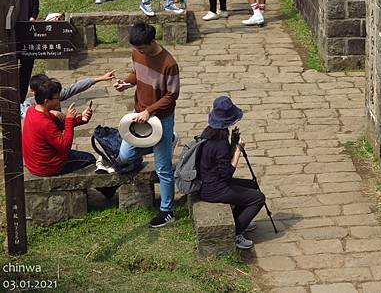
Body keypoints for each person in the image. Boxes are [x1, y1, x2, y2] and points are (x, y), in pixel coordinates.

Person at [114, 22, 180, 227]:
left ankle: (167, 210)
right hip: (139, 113)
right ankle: (168, 142)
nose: (139, 52)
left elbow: (172, 95)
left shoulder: (169, 63)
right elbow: (138, 73)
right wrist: (126, 82)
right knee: (124, 156)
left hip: (160, 117)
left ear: (152, 42)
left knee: (163, 168)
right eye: (136, 49)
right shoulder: (137, 54)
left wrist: (149, 110)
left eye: (142, 48)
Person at [196, 96, 265, 249]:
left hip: (209, 183)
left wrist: (232, 144)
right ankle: (236, 233)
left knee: (252, 186)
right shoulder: (219, 143)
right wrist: (238, 151)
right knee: (258, 198)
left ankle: (241, 220)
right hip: (215, 189)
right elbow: (227, 174)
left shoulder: (209, 133)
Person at [22, 79, 96, 176]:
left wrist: (81, 118)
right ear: (46, 101)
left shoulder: (32, 110)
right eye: (57, 98)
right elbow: (65, 146)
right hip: (47, 166)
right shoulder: (44, 123)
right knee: (90, 159)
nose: (59, 101)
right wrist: (69, 119)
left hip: (36, 162)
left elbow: (58, 125)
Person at [4, 0, 39, 102]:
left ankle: (21, 101)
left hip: (27, 37)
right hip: (9, 39)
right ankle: (9, 101)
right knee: (9, 72)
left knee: (26, 71)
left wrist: (32, 18)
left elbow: (35, 5)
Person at [21, 70, 116, 117]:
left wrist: (100, 78)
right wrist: (54, 114)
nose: (58, 101)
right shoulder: (29, 107)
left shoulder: (53, 94)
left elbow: (75, 88)